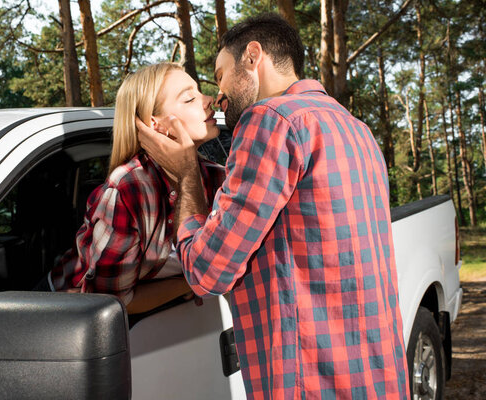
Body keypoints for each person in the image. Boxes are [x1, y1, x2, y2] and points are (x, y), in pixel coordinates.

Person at [137, 13, 409, 399]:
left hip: (312, 383)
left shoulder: (270, 120)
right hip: (379, 378)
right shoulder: (354, 127)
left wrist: (186, 175)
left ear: (252, 57)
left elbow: (206, 272)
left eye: (220, 75)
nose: (218, 96)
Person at [47, 62, 224, 315]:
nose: (209, 100)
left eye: (200, 92)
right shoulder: (128, 189)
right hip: (63, 315)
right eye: (189, 98)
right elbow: (109, 301)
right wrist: (192, 282)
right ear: (156, 125)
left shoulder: (219, 179)